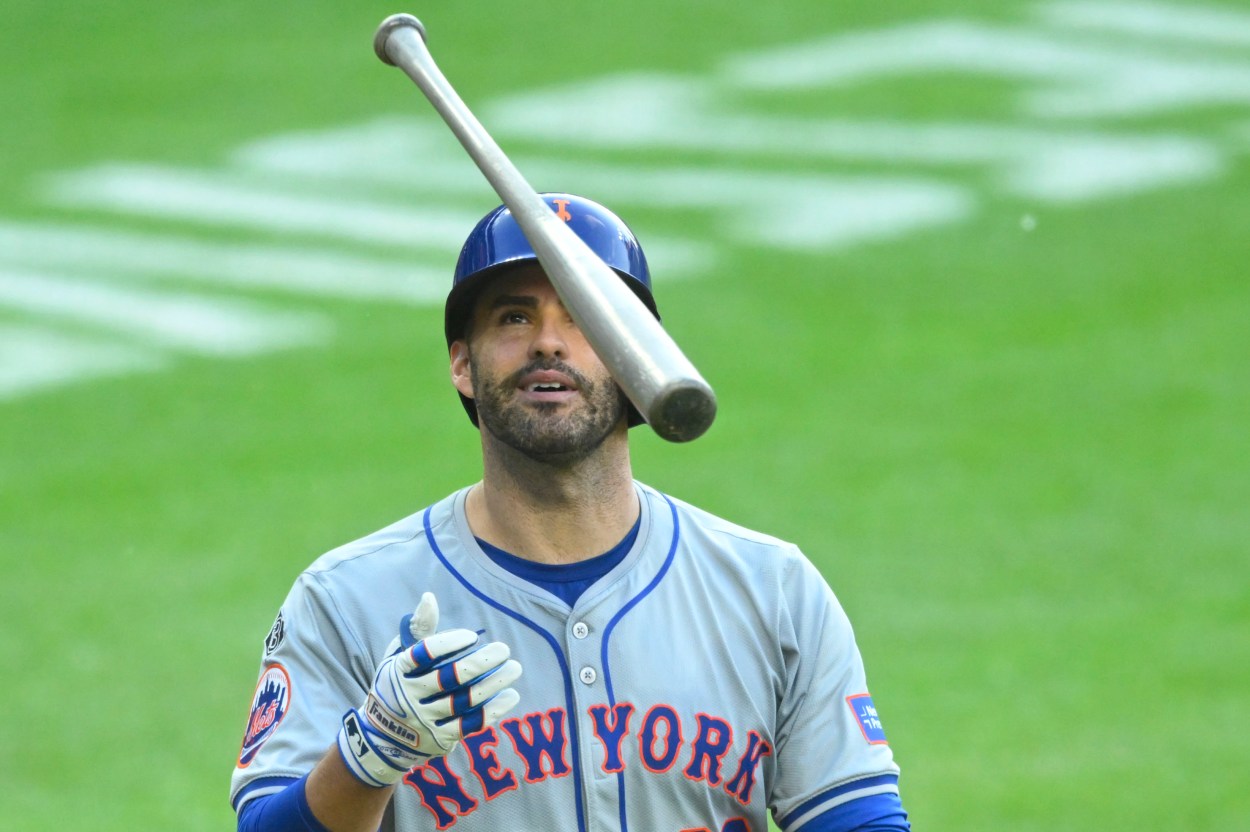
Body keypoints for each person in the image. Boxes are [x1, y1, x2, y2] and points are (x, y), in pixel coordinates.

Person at [230, 194, 911, 832]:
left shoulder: (772, 591)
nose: (548, 343)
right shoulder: (347, 600)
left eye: (584, 315)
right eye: (515, 317)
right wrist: (370, 756)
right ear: (462, 365)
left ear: (640, 357)